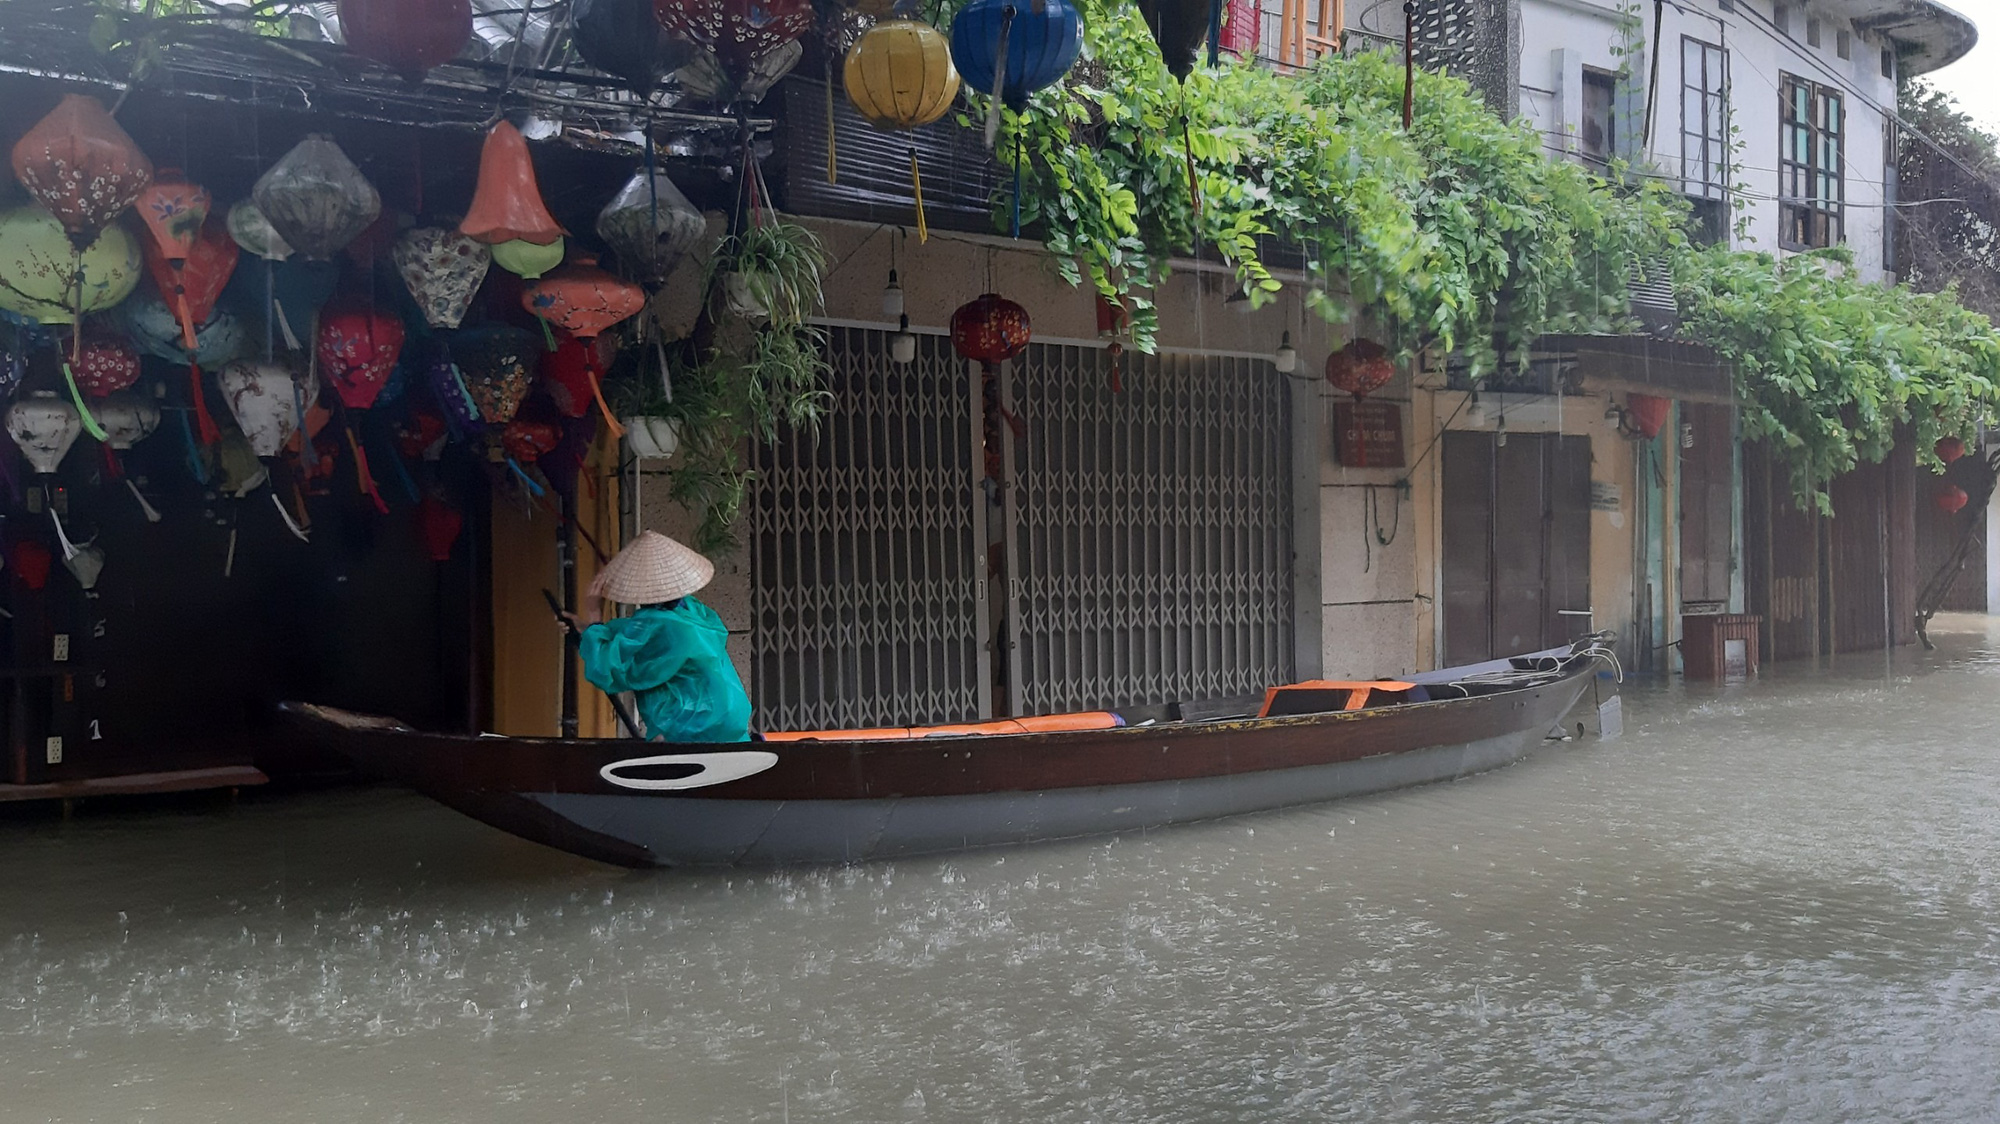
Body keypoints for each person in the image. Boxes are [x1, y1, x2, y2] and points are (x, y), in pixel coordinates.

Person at [566, 531, 752, 743]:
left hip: (692, 728)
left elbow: (609, 668)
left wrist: (594, 617)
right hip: (723, 721)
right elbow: (637, 633)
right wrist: (590, 630)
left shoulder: (660, 625)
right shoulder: (692, 610)